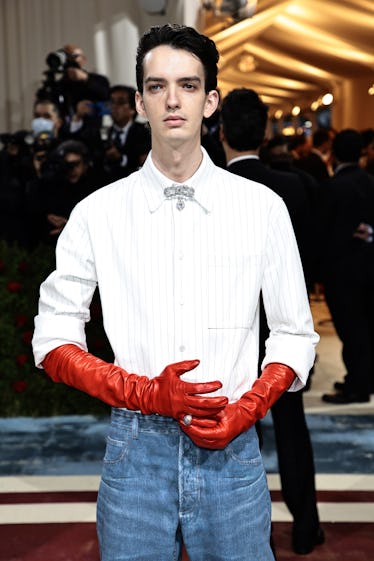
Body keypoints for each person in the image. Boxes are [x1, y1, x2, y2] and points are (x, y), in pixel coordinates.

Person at [32, 24, 319, 561]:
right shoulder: (98, 213)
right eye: (157, 86)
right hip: (135, 450)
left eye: (188, 86)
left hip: (232, 446)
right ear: (139, 101)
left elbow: (294, 334)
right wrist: (143, 393)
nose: (172, 100)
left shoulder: (261, 208)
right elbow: (52, 340)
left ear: (210, 101)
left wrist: (249, 407)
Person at [220, 87, 324, 555]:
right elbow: (313, 257)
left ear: (219, 131)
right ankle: (306, 527)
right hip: (285, 328)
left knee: (239, 434)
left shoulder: (213, 190)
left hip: (233, 331)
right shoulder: (297, 185)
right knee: (292, 427)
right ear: (264, 132)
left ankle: (245, 531)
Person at [320, 129, 374, 404]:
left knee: (351, 331)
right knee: (365, 327)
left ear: (334, 153)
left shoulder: (333, 187)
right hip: (368, 268)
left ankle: (357, 385)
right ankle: (363, 377)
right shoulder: (369, 181)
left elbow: (325, 232)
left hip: (341, 272)